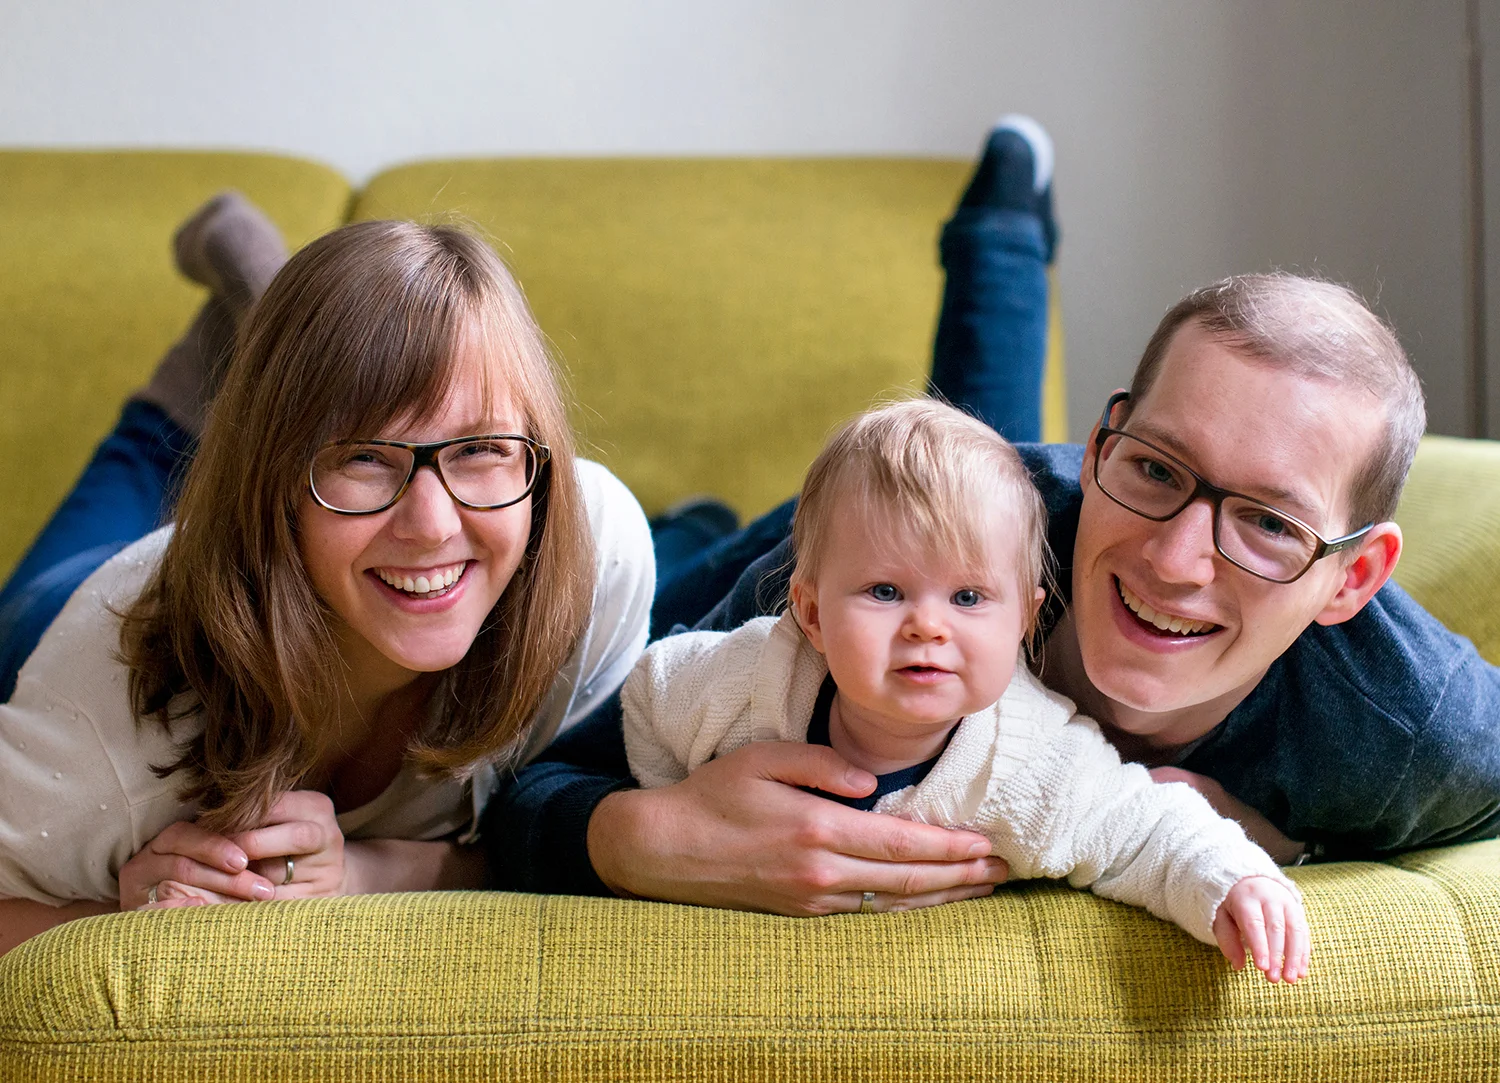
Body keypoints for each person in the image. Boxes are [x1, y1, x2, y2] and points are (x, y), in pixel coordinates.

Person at [483, 118, 1500, 916]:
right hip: (893, 524)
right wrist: (642, 837)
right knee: (700, 558)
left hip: (1002, 515)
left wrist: (1278, 839)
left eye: (1270, 524)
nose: (1176, 560)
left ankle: (1001, 230)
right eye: (1155, 468)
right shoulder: (865, 576)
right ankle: (695, 526)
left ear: (1353, 579)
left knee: (984, 458)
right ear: (1099, 452)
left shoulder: (1415, 725)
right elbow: (534, 785)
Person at [0, 202, 654, 955]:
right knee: (146, 465)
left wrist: (367, 874)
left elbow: (546, 837)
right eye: (364, 458)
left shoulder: (595, 552)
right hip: (70, 611)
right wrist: (124, 920)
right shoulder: (104, 720)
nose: (433, 525)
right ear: (272, 488)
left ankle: (278, 334)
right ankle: (238, 331)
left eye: (479, 448)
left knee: (346, 388)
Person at [626, 400, 1308, 982]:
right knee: (657, 564)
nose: (928, 625)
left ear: (1025, 621)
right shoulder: (745, 683)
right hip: (673, 591)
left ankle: (696, 526)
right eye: (885, 591)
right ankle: (691, 529)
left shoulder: (1035, 763)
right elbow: (647, 694)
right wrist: (676, 805)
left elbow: (1147, 828)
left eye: (968, 597)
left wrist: (1233, 881)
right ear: (812, 615)